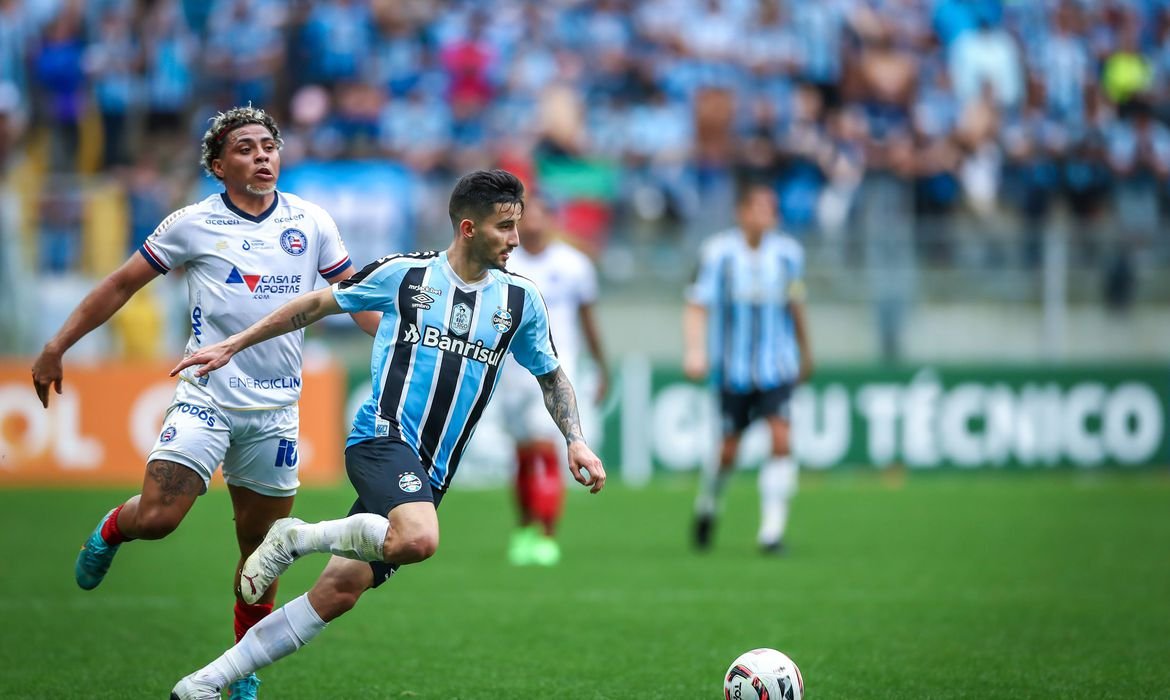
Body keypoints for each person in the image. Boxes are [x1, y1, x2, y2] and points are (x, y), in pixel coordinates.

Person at [168, 169, 606, 699]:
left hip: (432, 469)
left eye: (516, 226)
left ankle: (204, 683)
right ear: (468, 228)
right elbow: (314, 305)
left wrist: (575, 438)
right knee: (419, 540)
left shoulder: (521, 300)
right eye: (503, 227)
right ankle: (295, 538)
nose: (515, 239)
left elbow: (551, 373)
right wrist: (235, 344)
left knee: (339, 592)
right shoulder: (404, 274)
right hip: (381, 438)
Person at [29, 105, 378, 700]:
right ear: (218, 165)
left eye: (269, 145)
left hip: (275, 412)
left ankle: (241, 670)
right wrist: (57, 345)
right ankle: (113, 530)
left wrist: (405, 344)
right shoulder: (190, 224)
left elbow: (353, 297)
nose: (262, 155)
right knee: (160, 519)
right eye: (245, 148)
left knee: (260, 557)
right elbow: (120, 285)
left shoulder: (311, 221)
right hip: (205, 397)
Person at [683, 182, 813, 554]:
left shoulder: (789, 255)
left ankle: (771, 533)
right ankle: (708, 505)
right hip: (732, 370)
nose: (767, 215)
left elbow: (796, 305)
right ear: (742, 213)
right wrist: (695, 351)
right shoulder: (717, 254)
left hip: (778, 368)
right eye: (759, 208)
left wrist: (807, 352)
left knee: (781, 439)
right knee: (728, 451)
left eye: (772, 208)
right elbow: (696, 305)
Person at [491, 192, 607, 567]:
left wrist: (602, 365)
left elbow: (589, 320)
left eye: (542, 214)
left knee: (546, 447)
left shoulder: (573, 265)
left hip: (558, 368)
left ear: (552, 219)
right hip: (509, 369)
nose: (535, 222)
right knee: (524, 453)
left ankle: (546, 532)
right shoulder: (505, 264)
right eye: (529, 217)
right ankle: (525, 525)